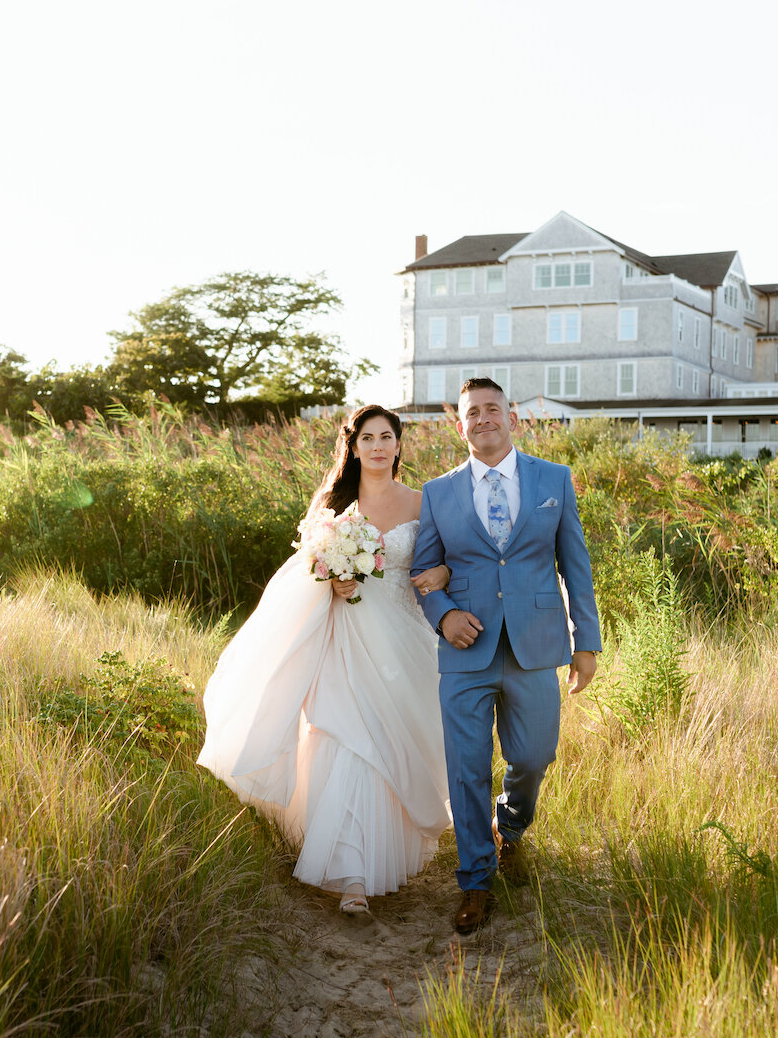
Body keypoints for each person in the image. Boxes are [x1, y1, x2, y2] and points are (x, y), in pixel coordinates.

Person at [197, 405, 453, 913]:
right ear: (353, 447)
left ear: (399, 446)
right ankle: (352, 874)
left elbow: (449, 560)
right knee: (345, 739)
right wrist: (330, 578)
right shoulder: (334, 507)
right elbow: (306, 571)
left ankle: (384, 858)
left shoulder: (426, 503)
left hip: (403, 639)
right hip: (342, 637)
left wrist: (442, 574)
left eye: (387, 437)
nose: (378, 446)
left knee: (391, 745)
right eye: (367, 438)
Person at [410, 376, 600, 935]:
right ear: (460, 424)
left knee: (536, 755)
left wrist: (584, 642)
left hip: (536, 645)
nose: (483, 418)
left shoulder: (553, 480)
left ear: (511, 418)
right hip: (465, 650)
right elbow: (423, 574)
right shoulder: (438, 492)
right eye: (473, 412)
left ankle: (510, 823)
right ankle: (475, 880)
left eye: (493, 409)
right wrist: (444, 614)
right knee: (465, 768)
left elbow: (576, 566)